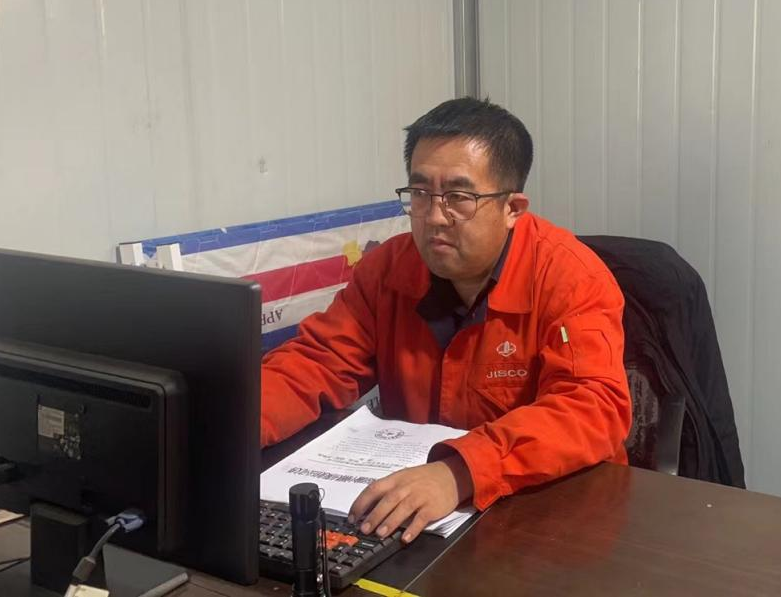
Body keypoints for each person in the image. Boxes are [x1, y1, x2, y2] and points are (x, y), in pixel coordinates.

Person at [261, 97, 631, 543]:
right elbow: (316, 363)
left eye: (459, 197)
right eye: (420, 194)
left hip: (547, 516)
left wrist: (460, 472)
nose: (435, 217)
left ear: (513, 208)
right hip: (415, 517)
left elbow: (593, 406)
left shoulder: (570, 277)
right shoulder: (388, 270)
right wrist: (229, 420)